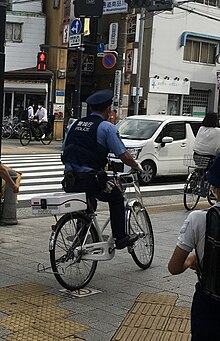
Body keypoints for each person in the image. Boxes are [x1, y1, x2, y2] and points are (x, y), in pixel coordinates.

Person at [62, 89, 143, 250]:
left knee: (87, 204)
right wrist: (136, 165)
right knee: (116, 198)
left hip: (70, 179)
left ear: (91, 108)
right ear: (107, 109)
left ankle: (81, 237)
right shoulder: (106, 128)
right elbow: (123, 155)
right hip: (91, 179)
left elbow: (64, 149)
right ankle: (120, 237)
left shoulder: (74, 124)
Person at [168, 152, 220, 340]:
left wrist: (193, 259)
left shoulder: (199, 219)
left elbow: (174, 267)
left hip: (209, 306)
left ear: (214, 187)